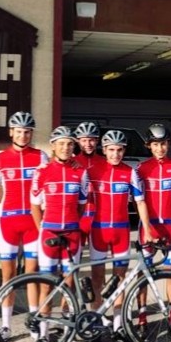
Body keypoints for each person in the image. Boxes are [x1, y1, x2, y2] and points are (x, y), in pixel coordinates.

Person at [0, 111, 48, 341]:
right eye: (19, 131)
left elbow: (48, 189)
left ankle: (34, 321)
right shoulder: (0, 158)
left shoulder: (41, 157)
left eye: (27, 132)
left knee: (32, 274)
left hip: (32, 222)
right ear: (11, 132)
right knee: (8, 277)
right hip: (8, 221)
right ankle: (6, 324)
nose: (23, 135)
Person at [87, 130, 155, 342]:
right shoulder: (91, 171)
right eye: (111, 150)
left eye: (119, 150)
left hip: (121, 232)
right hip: (98, 231)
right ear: (104, 150)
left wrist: (148, 228)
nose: (115, 154)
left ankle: (118, 325)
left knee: (120, 280)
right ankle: (97, 322)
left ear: (124, 150)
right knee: (98, 278)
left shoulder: (130, 172)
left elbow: (140, 202)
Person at [30, 125, 90, 342]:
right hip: (50, 233)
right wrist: (41, 230)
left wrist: (76, 225)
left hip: (72, 233)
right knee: (47, 283)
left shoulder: (80, 172)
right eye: (61, 144)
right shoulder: (42, 171)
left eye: (69, 144)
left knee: (69, 283)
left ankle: (68, 332)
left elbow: (83, 205)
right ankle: (43, 335)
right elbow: (35, 206)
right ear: (53, 146)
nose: (66, 148)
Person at [135, 123, 171, 338]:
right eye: (156, 144)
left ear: (168, 144)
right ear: (149, 146)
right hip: (147, 227)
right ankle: (142, 319)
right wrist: (148, 226)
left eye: (163, 144)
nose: (160, 148)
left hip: (168, 227)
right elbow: (138, 201)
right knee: (144, 275)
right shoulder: (141, 168)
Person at [74, 121, 101, 292]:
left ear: (97, 141)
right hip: (79, 219)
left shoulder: (105, 162)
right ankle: (68, 311)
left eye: (92, 140)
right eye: (84, 140)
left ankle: (97, 311)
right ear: (77, 141)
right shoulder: (72, 162)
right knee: (71, 270)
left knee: (98, 272)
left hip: (99, 220)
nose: (88, 144)